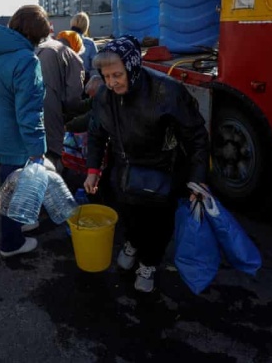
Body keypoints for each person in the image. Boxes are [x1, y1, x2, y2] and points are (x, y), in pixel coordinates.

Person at [83, 35, 210, 293]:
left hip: (161, 172)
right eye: (106, 76)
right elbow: (96, 133)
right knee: (128, 213)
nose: (111, 82)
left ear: (131, 67)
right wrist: (93, 171)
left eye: (117, 75)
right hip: (124, 170)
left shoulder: (167, 91)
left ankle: (149, 263)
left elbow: (196, 136)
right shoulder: (105, 95)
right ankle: (131, 242)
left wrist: (198, 178)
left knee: (157, 225)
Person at [0, 4, 49, 258]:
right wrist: (38, 150)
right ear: (37, 35)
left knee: (9, 183)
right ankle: (12, 242)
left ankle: (20, 223)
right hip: (13, 138)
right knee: (16, 187)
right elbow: (30, 113)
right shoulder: (26, 60)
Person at [36, 35, 85, 169]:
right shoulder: (70, 54)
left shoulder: (39, 48)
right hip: (53, 111)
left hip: (34, 110)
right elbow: (74, 93)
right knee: (55, 156)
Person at [70, 12, 98, 78]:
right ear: (86, 26)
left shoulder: (62, 40)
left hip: (67, 78)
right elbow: (95, 64)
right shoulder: (89, 43)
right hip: (84, 77)